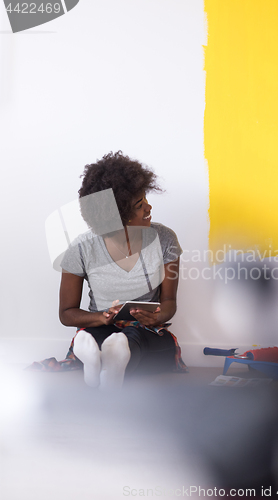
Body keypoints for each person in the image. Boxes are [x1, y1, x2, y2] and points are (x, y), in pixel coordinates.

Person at [59, 151, 186, 389]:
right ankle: (103, 359)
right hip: (100, 328)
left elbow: (169, 301)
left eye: (145, 199)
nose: (148, 207)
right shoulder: (81, 248)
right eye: (139, 205)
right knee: (93, 337)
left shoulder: (165, 238)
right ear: (118, 216)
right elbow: (67, 313)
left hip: (146, 331)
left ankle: (109, 360)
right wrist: (99, 316)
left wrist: (157, 316)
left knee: (135, 340)